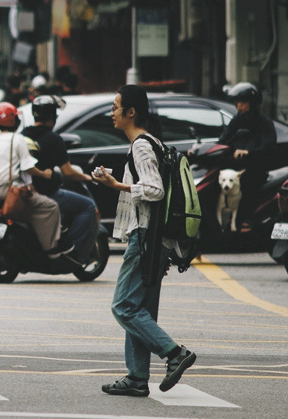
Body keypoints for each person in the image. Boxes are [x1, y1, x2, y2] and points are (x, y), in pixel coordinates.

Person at [90, 86, 196, 396]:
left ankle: (174, 353)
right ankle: (137, 377)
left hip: (146, 236)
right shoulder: (154, 144)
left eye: (116, 107)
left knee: (123, 306)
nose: (112, 112)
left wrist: (116, 184)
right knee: (140, 309)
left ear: (131, 112)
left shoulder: (141, 146)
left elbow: (155, 190)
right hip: (158, 238)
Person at [0, 102, 62, 252]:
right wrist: (44, 174)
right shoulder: (18, 140)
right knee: (51, 206)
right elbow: (28, 167)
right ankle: (50, 248)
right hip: (9, 192)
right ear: (13, 120)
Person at [28, 93, 100, 257]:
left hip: (27, 191)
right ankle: (73, 250)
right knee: (88, 206)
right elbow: (68, 171)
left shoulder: (23, 135)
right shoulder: (53, 138)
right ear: (52, 116)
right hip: (49, 193)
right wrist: (89, 177)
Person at [220, 82, 278, 169]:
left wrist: (248, 152)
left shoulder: (264, 122)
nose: (239, 106)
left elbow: (267, 147)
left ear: (252, 103)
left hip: (255, 168)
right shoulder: (236, 121)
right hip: (234, 168)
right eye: (237, 102)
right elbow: (224, 140)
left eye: (243, 102)